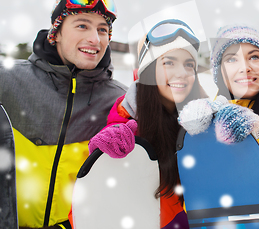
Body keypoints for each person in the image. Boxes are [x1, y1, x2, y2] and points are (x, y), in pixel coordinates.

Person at [0, 0, 127, 229]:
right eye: (82, 25)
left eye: (103, 29)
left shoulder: (120, 101)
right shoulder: (7, 82)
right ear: (56, 32)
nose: (95, 38)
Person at [81, 19, 208, 229]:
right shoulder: (128, 125)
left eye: (189, 64)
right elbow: (93, 208)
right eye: (169, 62)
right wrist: (104, 159)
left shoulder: (204, 119)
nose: (181, 73)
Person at [205, 24, 259, 161]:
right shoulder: (212, 124)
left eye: (253, 57)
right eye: (232, 59)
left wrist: (257, 137)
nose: (244, 68)